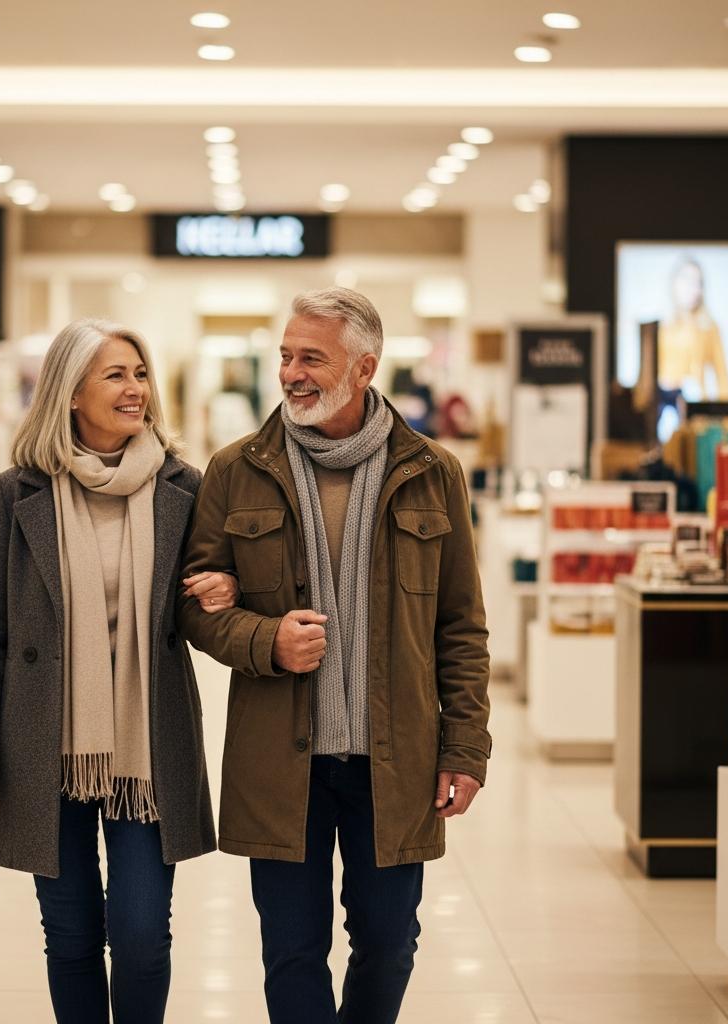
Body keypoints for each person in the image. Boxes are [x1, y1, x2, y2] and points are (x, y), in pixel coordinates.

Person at [177, 287, 492, 1024]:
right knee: (290, 952)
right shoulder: (235, 470)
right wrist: (266, 640)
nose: (291, 372)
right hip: (279, 760)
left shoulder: (432, 472)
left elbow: (461, 626)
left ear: (365, 367)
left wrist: (466, 747)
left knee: (389, 945)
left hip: (397, 757)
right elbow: (192, 606)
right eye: (285, 355)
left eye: (311, 357)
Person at [0, 318, 239, 1024]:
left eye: (140, 374)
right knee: (73, 935)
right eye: (115, 375)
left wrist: (225, 592)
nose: (135, 388)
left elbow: (211, 604)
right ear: (70, 393)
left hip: (149, 741)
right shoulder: (17, 493)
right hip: (45, 743)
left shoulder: (185, 487)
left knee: (142, 936)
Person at [658, 256, 728, 400]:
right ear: (674, 283)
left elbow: (722, 376)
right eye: (687, 280)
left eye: (697, 283)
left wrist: (726, 411)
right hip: (668, 404)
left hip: (698, 405)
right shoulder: (664, 328)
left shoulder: (709, 327)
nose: (692, 288)